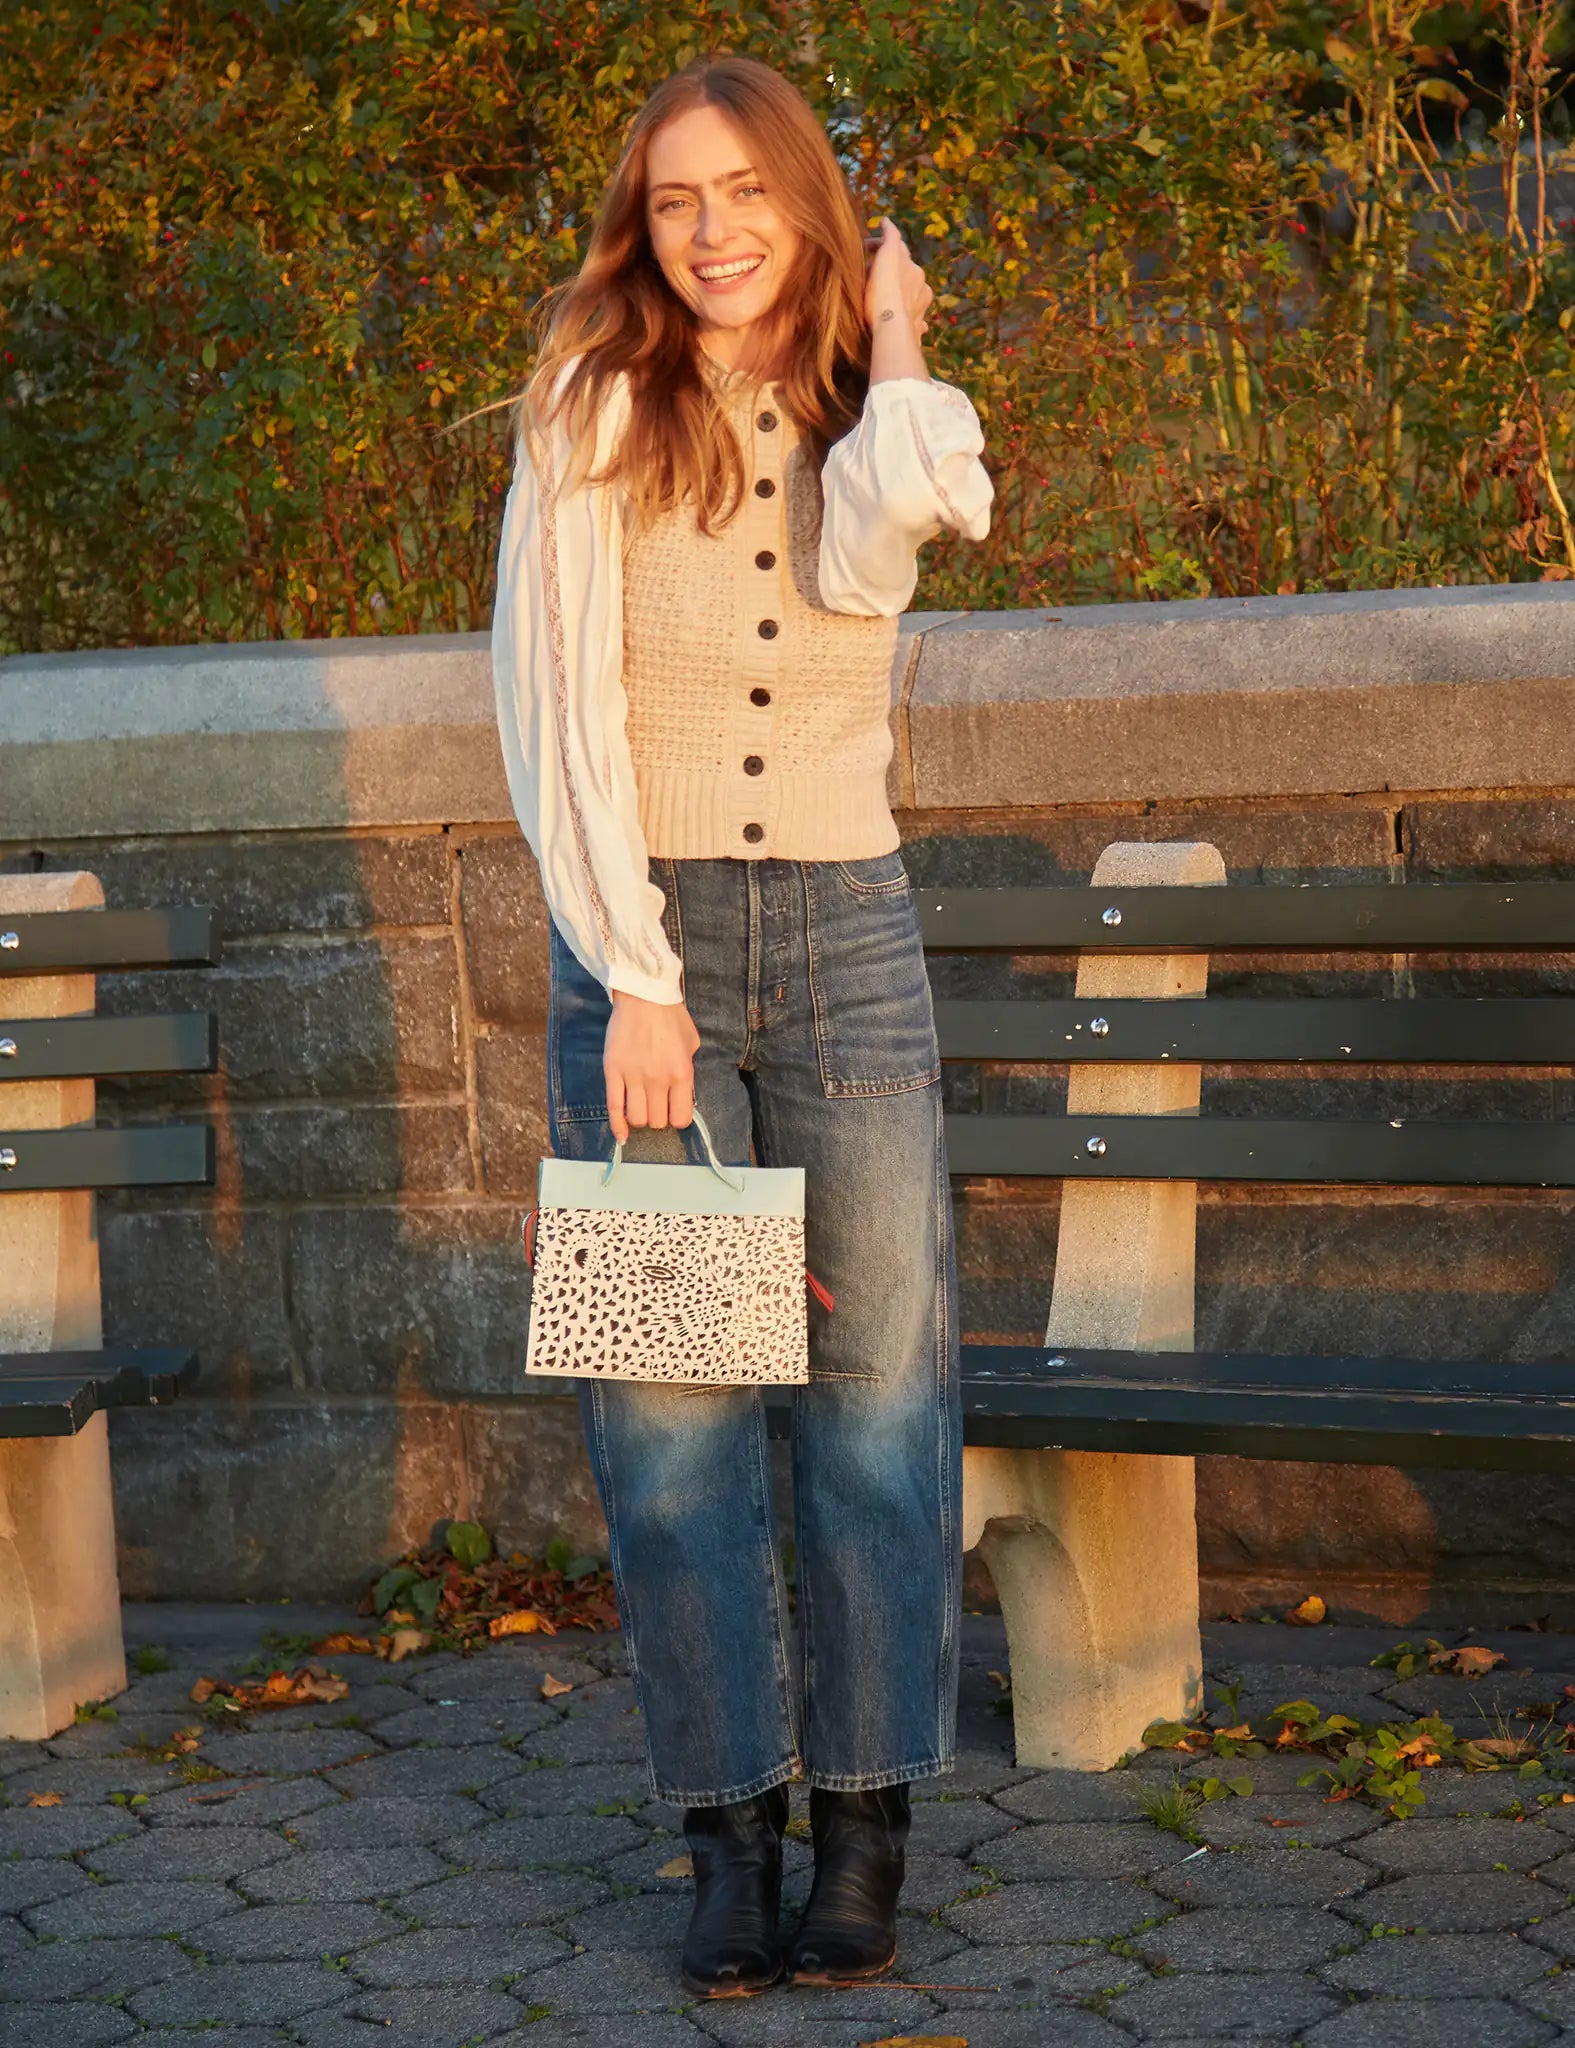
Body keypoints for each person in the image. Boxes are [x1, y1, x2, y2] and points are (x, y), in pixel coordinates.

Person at [491, 51, 993, 2001]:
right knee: (676, 1426)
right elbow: (559, 709)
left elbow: (891, 537)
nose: (710, 231)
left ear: (805, 200)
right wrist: (635, 972)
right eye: (675, 198)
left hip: (852, 935)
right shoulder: (592, 403)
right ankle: (725, 1837)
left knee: (878, 1404)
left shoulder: (868, 405)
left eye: (747, 193)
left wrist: (897, 326)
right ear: (640, 222)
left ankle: (864, 1835)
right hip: (652, 953)